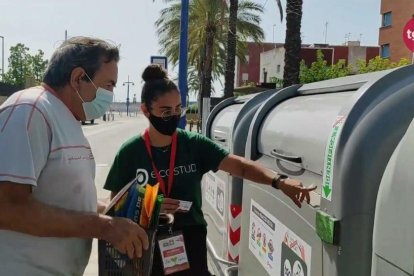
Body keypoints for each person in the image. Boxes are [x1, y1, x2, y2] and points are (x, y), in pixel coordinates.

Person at [104, 65, 316, 275]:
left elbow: (240, 166)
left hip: (190, 238)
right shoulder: (130, 153)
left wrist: (279, 181)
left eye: (179, 108)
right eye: (166, 111)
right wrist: (149, 210)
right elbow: (114, 207)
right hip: (144, 240)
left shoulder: (194, 144)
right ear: (145, 110)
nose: (175, 115)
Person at [0, 36, 148, 275]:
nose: (111, 95)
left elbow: (65, 199)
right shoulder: (30, 110)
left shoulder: (66, 117)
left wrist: (123, 212)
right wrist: (104, 227)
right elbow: (7, 208)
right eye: (108, 85)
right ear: (78, 78)